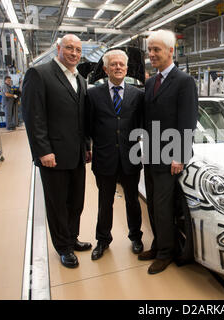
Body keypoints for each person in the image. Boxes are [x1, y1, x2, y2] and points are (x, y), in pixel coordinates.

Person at [21, 34, 92, 269]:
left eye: (78, 50)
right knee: (57, 204)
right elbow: (34, 116)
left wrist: (87, 146)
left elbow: (82, 118)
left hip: (76, 154)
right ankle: (63, 248)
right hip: (53, 155)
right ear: (57, 48)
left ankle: (72, 238)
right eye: (69, 48)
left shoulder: (80, 79)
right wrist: (43, 151)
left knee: (76, 202)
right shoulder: (39, 74)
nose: (74, 53)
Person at [139, 29, 198, 274]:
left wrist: (180, 155)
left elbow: (188, 120)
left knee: (164, 207)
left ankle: (166, 252)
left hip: (170, 155)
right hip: (151, 152)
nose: (151, 54)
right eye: (149, 50)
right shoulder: (151, 81)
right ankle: (158, 243)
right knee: (152, 203)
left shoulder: (184, 82)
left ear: (170, 51)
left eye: (156, 50)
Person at [85, 50, 144, 260]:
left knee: (132, 201)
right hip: (105, 158)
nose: (118, 67)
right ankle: (103, 240)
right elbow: (87, 124)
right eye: (113, 64)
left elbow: (143, 125)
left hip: (130, 157)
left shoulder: (138, 95)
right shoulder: (93, 95)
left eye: (121, 64)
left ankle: (136, 237)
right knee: (105, 201)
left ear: (126, 69)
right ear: (105, 69)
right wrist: (88, 147)